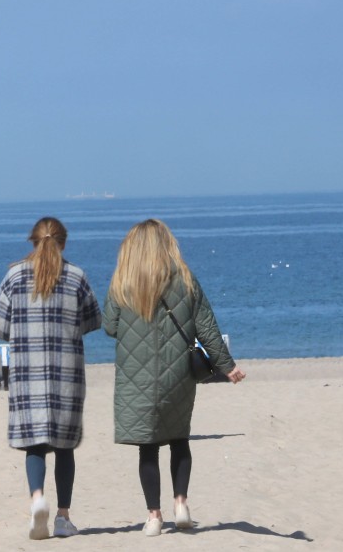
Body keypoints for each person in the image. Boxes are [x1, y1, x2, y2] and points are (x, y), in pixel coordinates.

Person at [102, 219, 246, 537]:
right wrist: (227, 366)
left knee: (148, 446)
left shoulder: (122, 280)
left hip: (136, 377)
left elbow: (110, 327)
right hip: (178, 373)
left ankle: (154, 516)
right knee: (179, 438)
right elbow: (207, 326)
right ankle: (181, 503)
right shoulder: (184, 278)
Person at [0, 216, 102, 540]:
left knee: (34, 444)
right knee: (65, 447)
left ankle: (37, 499)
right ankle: (63, 518)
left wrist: (22, 331)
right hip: (67, 373)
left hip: (27, 373)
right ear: (63, 243)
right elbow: (93, 319)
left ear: (33, 242)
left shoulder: (14, 275)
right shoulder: (77, 277)